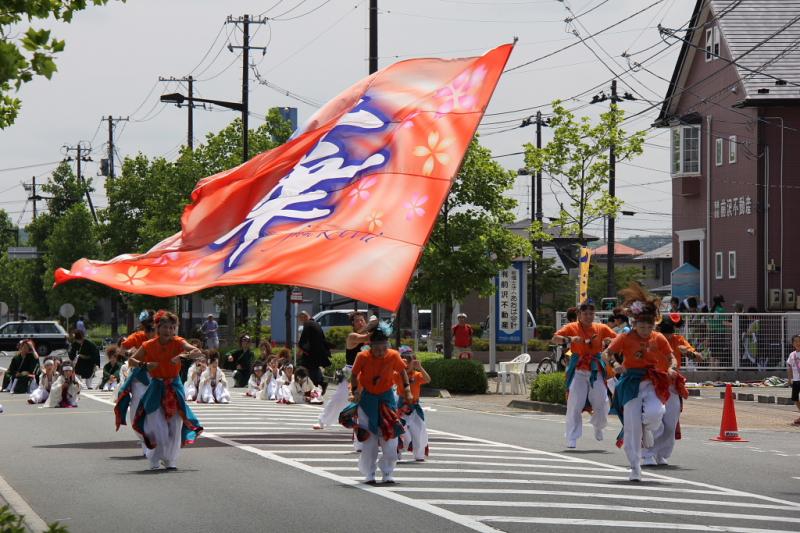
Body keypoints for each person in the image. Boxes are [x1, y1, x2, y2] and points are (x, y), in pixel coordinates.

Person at [606, 284, 674, 481]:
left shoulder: (659, 337)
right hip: (630, 382)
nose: (645, 330)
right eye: (641, 326)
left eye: (649, 326)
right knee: (631, 427)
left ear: (654, 324)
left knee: (656, 412)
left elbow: (671, 358)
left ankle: (647, 428)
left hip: (652, 380)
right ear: (635, 323)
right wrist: (615, 365)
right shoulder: (625, 337)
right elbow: (607, 353)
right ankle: (635, 466)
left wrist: (671, 368)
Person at [129, 310, 203, 470]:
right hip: (156, 387)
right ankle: (154, 458)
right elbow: (131, 360)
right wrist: (145, 365)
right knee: (157, 426)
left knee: (175, 425)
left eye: (172, 327)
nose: (169, 331)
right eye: (165, 327)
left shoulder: (178, 342)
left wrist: (182, 357)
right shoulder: (148, 345)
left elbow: (197, 351)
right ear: (158, 327)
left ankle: (170, 459)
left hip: (174, 387)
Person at [343, 326, 411, 484]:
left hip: (387, 400)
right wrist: (354, 391)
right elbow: (354, 375)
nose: (380, 352)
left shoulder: (394, 356)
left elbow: (402, 372)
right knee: (369, 440)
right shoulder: (362, 356)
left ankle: (387, 471)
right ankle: (370, 473)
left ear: (387, 345)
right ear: (370, 346)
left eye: (383, 348)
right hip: (367, 400)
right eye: (377, 348)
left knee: (391, 438)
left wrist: (407, 389)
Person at [552, 302, 617, 448]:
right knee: (575, 402)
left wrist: (609, 342)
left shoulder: (601, 328)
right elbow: (555, 338)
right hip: (579, 369)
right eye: (585, 313)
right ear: (579, 315)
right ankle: (572, 436)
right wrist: (570, 339)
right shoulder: (571, 327)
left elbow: (617, 339)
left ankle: (598, 425)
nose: (588, 316)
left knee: (602, 401)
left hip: (596, 368)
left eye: (591, 314)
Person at [642, 314, 702, 466]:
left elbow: (698, 356)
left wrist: (690, 353)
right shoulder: (650, 339)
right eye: (665, 333)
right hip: (652, 384)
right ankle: (648, 453)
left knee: (670, 424)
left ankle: (662, 454)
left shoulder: (678, 341)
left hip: (671, 385)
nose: (668, 337)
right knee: (654, 419)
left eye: (670, 333)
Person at [115, 309, 158, 456]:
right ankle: (145, 439)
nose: (152, 331)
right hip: (140, 376)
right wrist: (131, 354)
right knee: (135, 411)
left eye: (154, 327)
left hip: (160, 376)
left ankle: (158, 441)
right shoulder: (137, 336)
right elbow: (121, 350)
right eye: (149, 327)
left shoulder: (164, 337)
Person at [397, 347, 431, 462]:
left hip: (415, 406)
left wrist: (420, 367)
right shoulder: (398, 374)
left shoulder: (417, 375)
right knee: (400, 429)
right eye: (404, 361)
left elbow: (428, 379)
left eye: (409, 361)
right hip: (402, 406)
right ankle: (397, 451)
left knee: (420, 430)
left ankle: (419, 454)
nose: (407, 364)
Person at [297, 311, 332, 395]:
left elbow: (304, 340)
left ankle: (313, 388)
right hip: (318, 352)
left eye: (301, 319)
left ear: (304, 317)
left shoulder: (308, 324)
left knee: (305, 369)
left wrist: (300, 351)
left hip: (311, 353)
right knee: (314, 369)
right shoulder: (315, 324)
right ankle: (321, 383)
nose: (301, 321)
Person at [786, 335, 800, 426]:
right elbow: (789, 367)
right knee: (795, 398)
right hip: (796, 380)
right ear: (793, 343)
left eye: (799, 341)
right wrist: (790, 379)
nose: (798, 343)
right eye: (795, 341)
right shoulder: (792, 354)